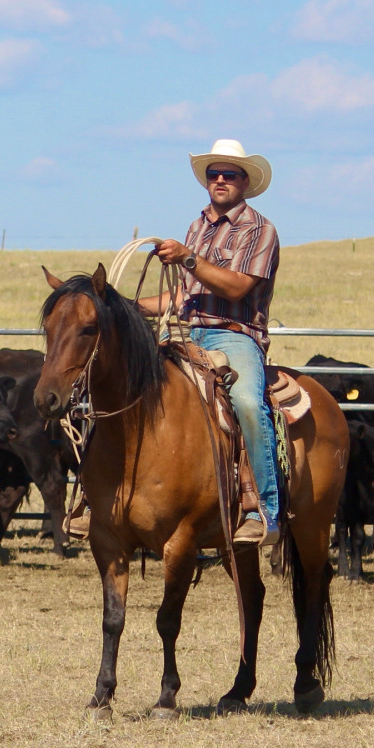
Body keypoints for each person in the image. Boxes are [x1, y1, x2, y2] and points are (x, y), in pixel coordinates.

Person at [125, 137, 283, 547]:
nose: (220, 180)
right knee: (128, 386)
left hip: (233, 336)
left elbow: (236, 287)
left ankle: (264, 510)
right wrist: (128, 307)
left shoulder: (260, 230)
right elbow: (183, 295)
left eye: (230, 174)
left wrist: (189, 258)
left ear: (245, 182)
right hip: (186, 332)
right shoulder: (197, 227)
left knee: (248, 403)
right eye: (214, 174)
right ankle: (106, 496)